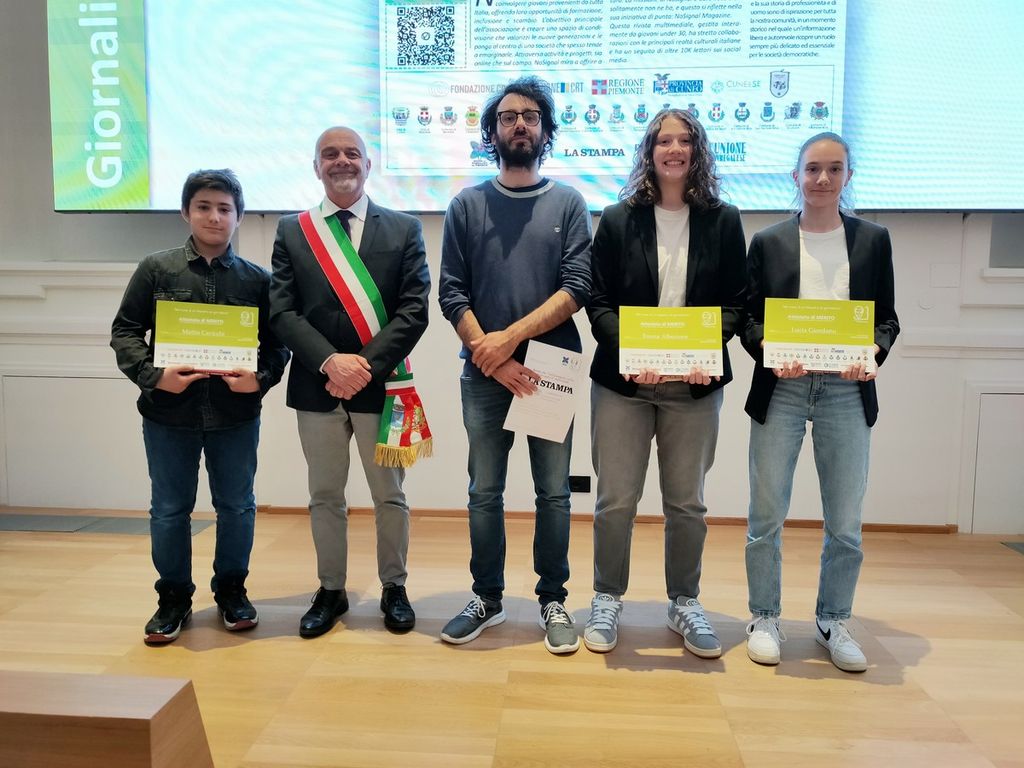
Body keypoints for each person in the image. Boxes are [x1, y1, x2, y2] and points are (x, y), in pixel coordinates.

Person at [438, 76, 592, 654]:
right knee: (485, 491)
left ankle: (553, 599)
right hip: (485, 375)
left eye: (530, 116)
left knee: (553, 492)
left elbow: (576, 288)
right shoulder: (466, 205)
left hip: (552, 367)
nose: (519, 124)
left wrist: (508, 340)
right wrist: (493, 357)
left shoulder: (568, 203)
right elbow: (452, 293)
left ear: (546, 131)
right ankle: (488, 598)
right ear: (492, 132)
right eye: (508, 117)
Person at [584, 108, 746, 656]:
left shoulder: (724, 221)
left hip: (694, 386)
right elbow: (598, 302)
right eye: (663, 140)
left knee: (687, 504)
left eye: (684, 140)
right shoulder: (616, 219)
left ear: (698, 151)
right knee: (615, 501)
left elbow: (737, 304)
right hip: (623, 384)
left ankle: (685, 602)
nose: (674, 149)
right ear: (649, 151)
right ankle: (607, 597)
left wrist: (704, 351)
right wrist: (632, 353)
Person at [741, 132, 899, 672]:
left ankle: (834, 620)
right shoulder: (768, 241)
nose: (823, 179)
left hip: (846, 390)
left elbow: (886, 320)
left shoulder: (873, 240)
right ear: (796, 176)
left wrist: (871, 353)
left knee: (846, 520)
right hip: (782, 388)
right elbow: (750, 319)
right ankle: (765, 617)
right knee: (766, 514)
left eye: (834, 169)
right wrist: (769, 349)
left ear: (848, 176)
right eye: (812, 169)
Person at [111, 169, 289, 645]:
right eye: (204, 207)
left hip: (235, 417)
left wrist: (259, 379)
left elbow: (278, 346)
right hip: (168, 415)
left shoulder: (257, 280)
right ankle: (173, 598)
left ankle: (232, 592)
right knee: (170, 510)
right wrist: (155, 376)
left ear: (238, 217)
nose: (214, 216)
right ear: (185, 212)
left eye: (225, 209)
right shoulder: (156, 269)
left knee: (237, 507)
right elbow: (125, 332)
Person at [269, 126, 431, 638]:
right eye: (330, 154)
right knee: (324, 494)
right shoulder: (293, 231)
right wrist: (330, 362)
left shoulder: (403, 228)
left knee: (390, 494)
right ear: (316, 166)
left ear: (368, 164)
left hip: (382, 384)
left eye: (351, 153)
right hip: (315, 386)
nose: (341, 161)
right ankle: (331, 589)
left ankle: (394, 587)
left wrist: (362, 366)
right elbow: (282, 311)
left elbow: (414, 310)